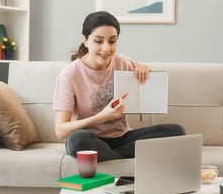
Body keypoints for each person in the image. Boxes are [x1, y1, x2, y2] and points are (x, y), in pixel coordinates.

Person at [53, 11, 185, 162]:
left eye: (112, 41)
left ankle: (111, 158)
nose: (106, 48)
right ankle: (125, 160)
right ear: (85, 40)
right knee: (77, 139)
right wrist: (101, 117)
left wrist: (144, 71)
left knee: (176, 131)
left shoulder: (124, 63)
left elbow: (146, 96)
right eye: (98, 41)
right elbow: (60, 130)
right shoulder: (69, 75)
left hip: (123, 138)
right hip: (91, 139)